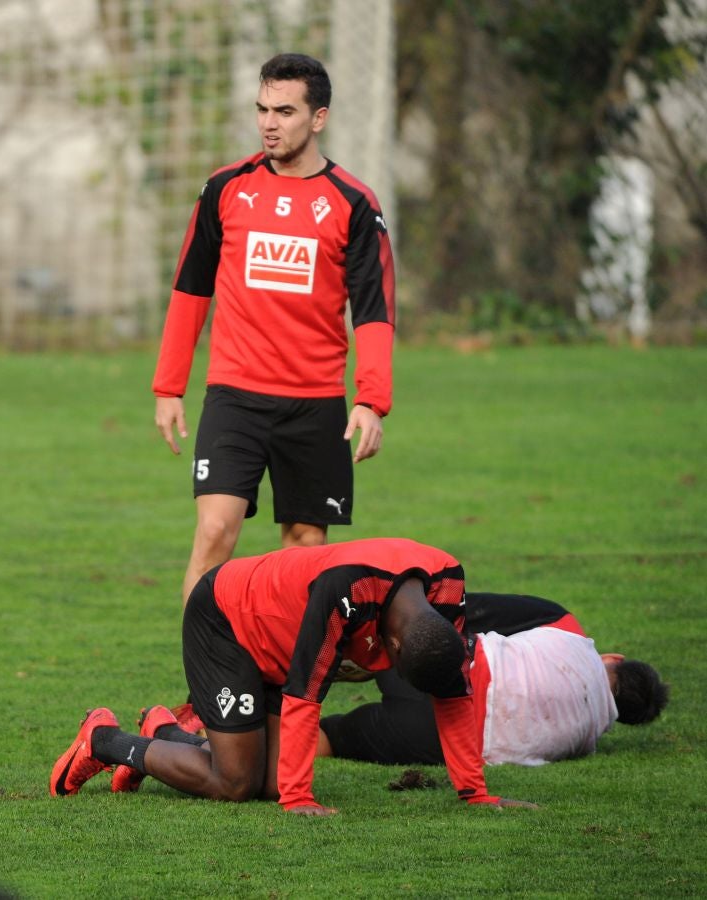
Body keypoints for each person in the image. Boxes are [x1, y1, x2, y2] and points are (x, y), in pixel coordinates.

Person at [152, 52, 396, 604]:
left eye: (284, 111)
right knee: (215, 533)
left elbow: (375, 310)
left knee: (304, 549)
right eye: (262, 109)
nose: (268, 122)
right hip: (235, 395)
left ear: (318, 118)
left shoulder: (354, 204)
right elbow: (191, 289)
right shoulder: (226, 189)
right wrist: (169, 386)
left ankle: (291, 684)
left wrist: (371, 400)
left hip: (315, 403)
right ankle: (205, 683)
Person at [49, 538, 535, 814]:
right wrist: (301, 800)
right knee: (237, 783)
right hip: (226, 621)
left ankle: (166, 734)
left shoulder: (447, 587)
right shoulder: (346, 590)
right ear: (392, 644)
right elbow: (306, 693)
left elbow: (454, 693)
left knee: (270, 784)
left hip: (280, 636)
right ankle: (106, 740)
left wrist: (477, 793)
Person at [318, 592, 670, 766]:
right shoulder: (584, 742)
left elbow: (468, 607)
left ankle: (331, 651)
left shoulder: (568, 631)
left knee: (398, 614)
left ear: (614, 659)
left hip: (446, 670)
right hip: (440, 739)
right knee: (330, 738)